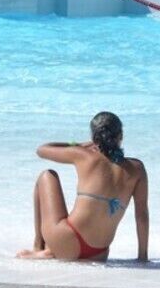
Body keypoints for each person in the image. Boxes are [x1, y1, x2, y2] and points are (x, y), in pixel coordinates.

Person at [17, 112, 149, 262]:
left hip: (66, 240)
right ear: (121, 136)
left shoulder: (83, 155)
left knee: (47, 175)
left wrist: (77, 145)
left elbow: (41, 150)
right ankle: (50, 251)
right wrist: (142, 258)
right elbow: (142, 216)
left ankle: (39, 248)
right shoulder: (137, 169)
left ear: (94, 138)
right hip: (99, 253)